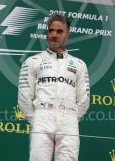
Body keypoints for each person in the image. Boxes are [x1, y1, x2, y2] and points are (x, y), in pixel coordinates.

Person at [18, 14, 90, 161]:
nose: (54, 35)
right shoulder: (32, 61)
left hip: (69, 121)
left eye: (59, 31)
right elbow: (24, 97)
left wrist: (71, 118)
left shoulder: (79, 65)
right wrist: (36, 118)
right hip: (42, 119)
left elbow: (84, 99)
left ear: (67, 36)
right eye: (50, 31)